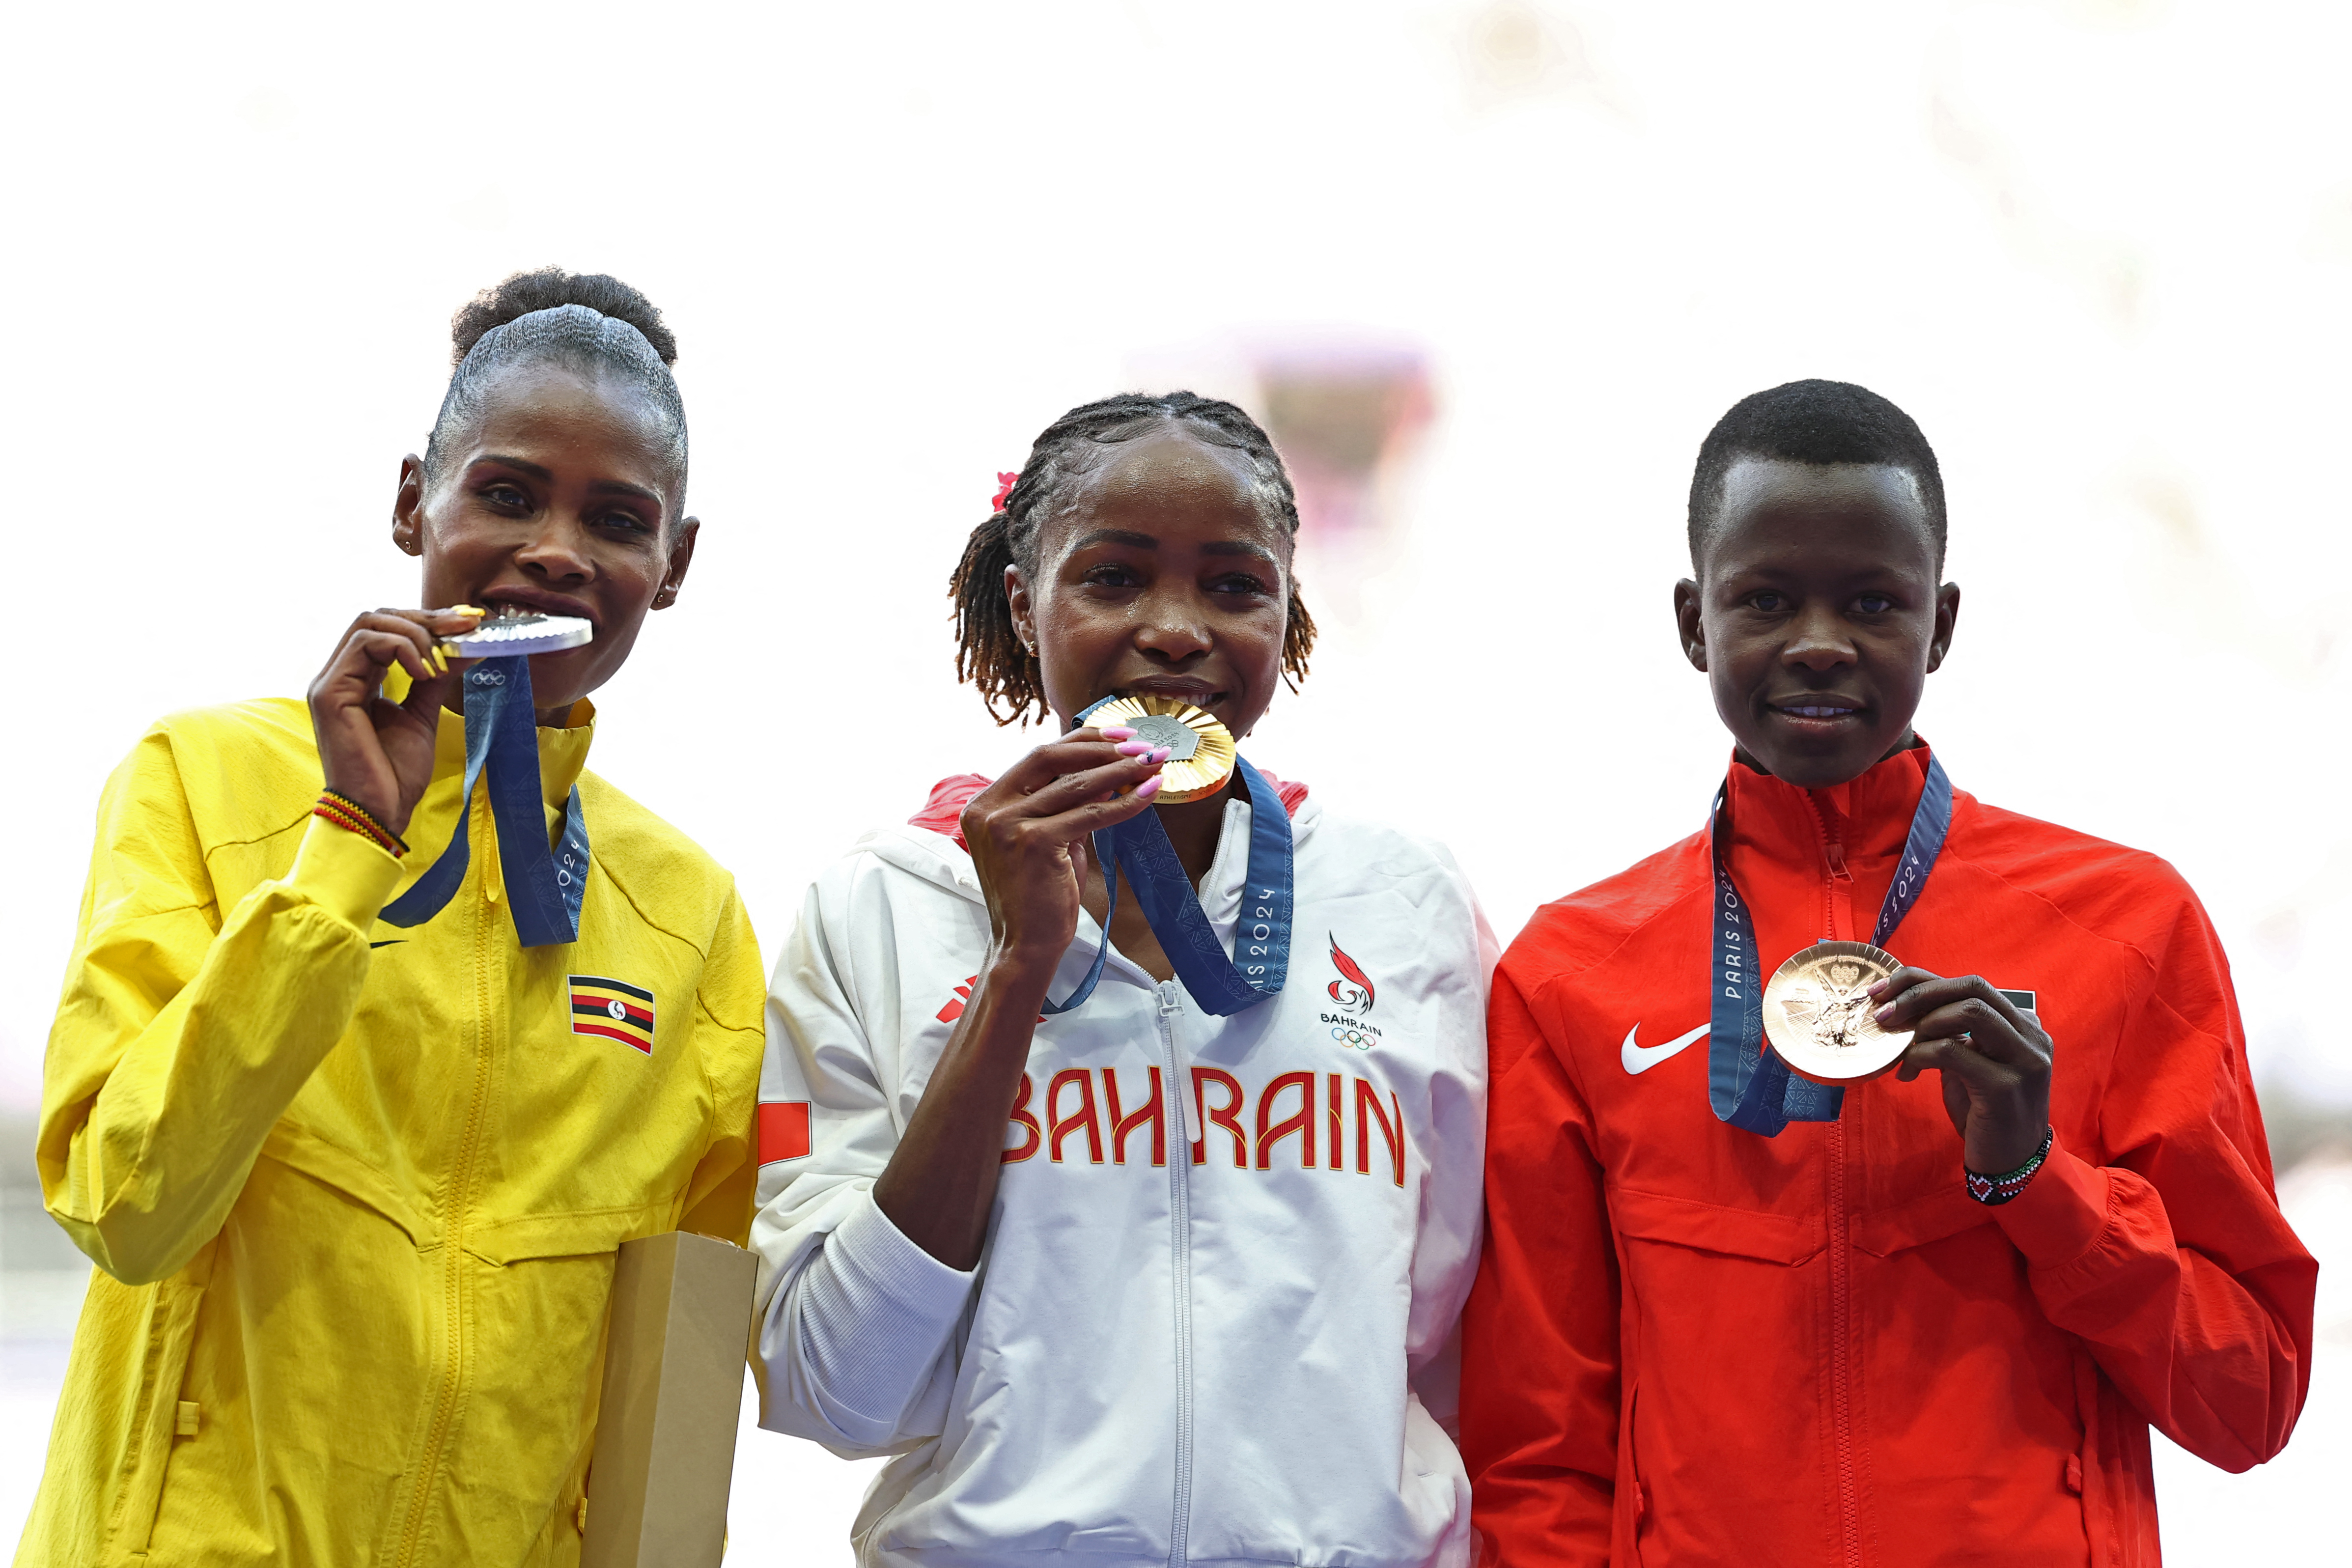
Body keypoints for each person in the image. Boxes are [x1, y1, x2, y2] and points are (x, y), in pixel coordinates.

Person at [1460, 380, 2318, 1567]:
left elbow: (2251, 1399)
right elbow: (1538, 1449)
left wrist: (2036, 1174)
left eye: (1872, 601)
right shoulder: (1569, 974)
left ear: (1942, 623)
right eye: (1766, 600)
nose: (1820, 642)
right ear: (1693, 622)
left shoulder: (2129, 928)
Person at [22, 269, 765, 1566]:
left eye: (618, 517)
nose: (555, 551)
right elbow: (125, 1202)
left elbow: (680, 1371)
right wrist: (348, 845)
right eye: (508, 493)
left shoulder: (690, 913)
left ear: (675, 562)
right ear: (413, 496)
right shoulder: (203, 778)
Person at [751, 392, 1493, 1565]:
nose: (1177, 630)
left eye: (1235, 587)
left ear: (1289, 614)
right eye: (1113, 578)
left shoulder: (1405, 904)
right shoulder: (880, 910)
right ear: (1023, 601)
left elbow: (1456, 1333)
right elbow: (835, 1387)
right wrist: (1016, 973)